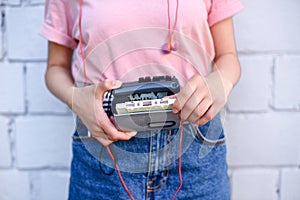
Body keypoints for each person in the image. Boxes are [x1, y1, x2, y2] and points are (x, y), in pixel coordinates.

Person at [40, 0, 243, 199]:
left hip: (195, 144)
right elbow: (56, 67)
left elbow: (228, 56)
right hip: (104, 149)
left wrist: (220, 83)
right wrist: (75, 98)